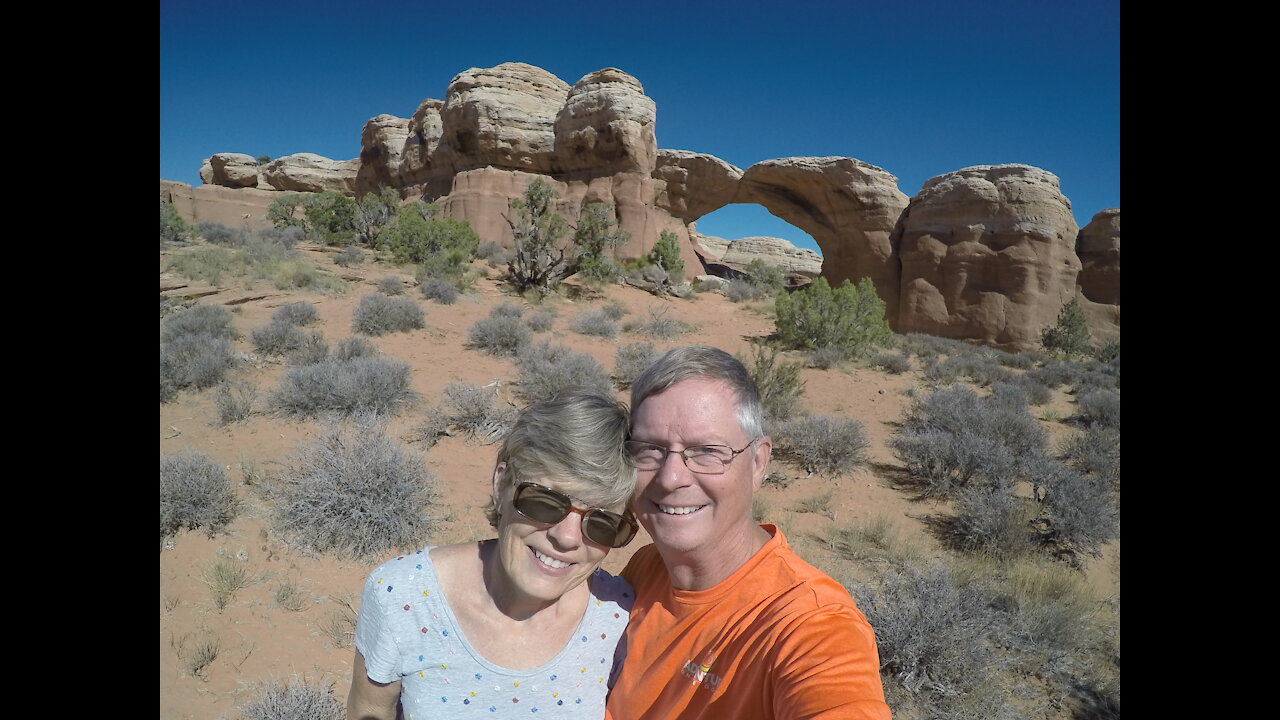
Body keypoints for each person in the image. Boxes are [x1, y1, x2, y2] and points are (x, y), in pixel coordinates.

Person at [605, 346, 892, 720]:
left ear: (758, 463)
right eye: (650, 450)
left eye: (707, 451)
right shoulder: (647, 565)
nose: (671, 477)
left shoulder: (811, 625)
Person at [347, 387, 640, 720]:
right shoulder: (403, 597)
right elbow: (368, 710)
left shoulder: (620, 615)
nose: (566, 537)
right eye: (545, 501)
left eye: (602, 521)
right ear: (502, 484)